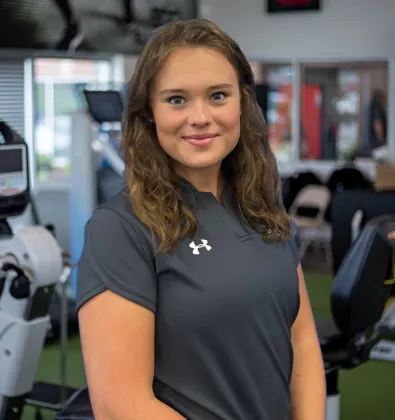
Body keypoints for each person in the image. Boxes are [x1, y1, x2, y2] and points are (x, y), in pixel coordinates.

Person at [77, 18, 326, 420]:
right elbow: (120, 404)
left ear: (241, 103)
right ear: (150, 112)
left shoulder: (263, 209)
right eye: (177, 99)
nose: (200, 117)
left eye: (217, 96)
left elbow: (300, 340)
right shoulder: (121, 228)